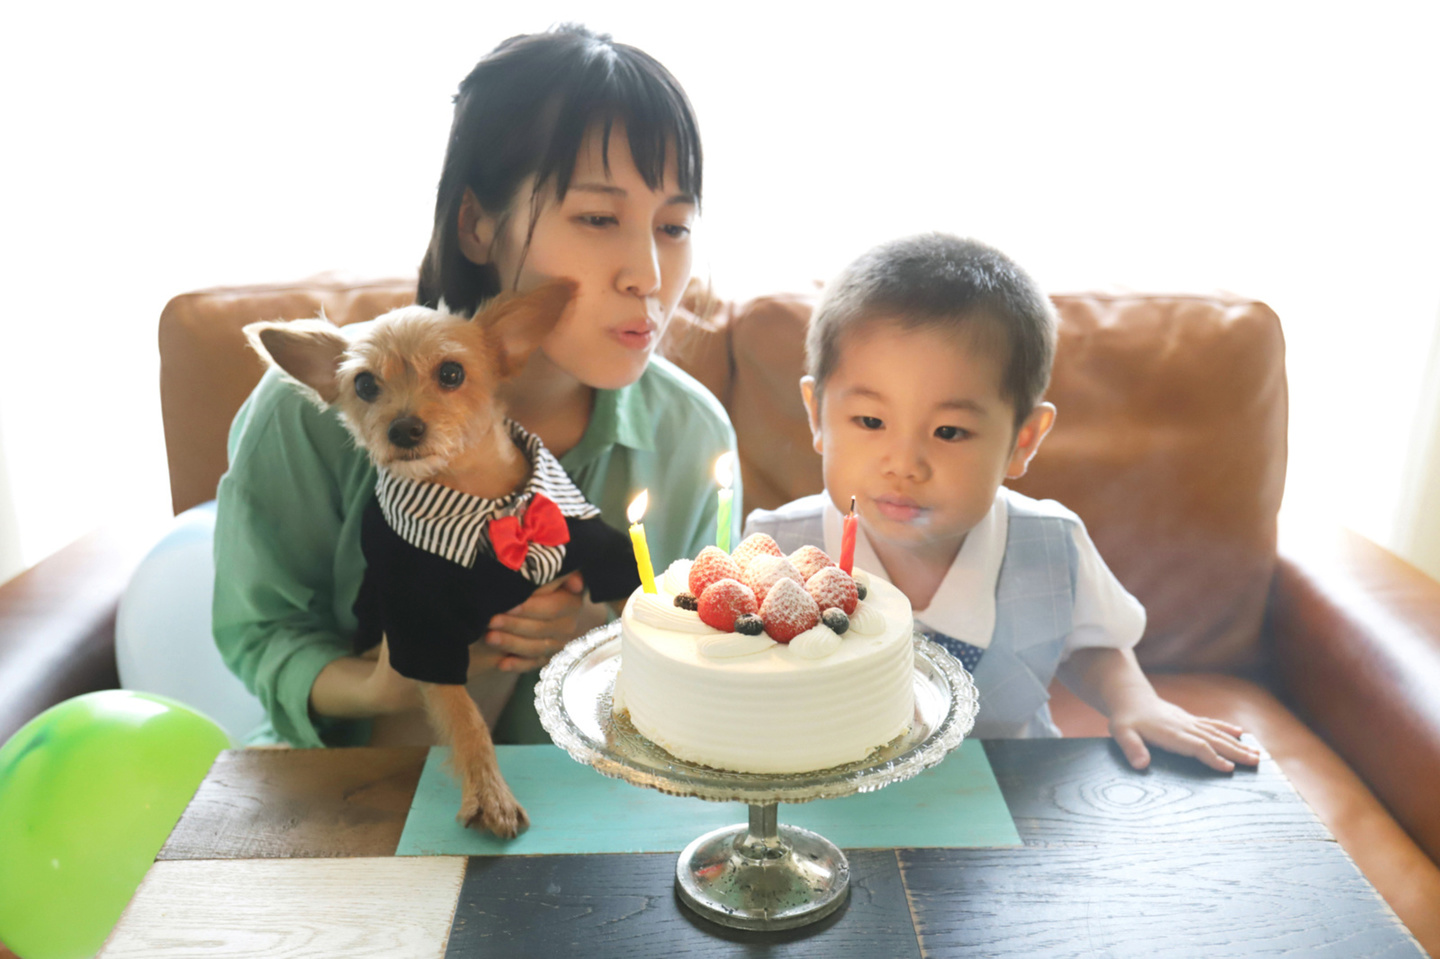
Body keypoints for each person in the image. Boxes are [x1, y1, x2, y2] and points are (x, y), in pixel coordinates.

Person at [213, 24, 739, 748]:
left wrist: (601, 629)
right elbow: (264, 632)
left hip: (599, 799)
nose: (647, 275)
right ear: (476, 225)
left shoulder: (692, 436)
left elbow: (704, 664)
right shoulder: (312, 408)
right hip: (351, 790)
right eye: (597, 217)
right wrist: (380, 684)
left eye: (674, 226)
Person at [744, 234, 1259, 772]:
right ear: (817, 415)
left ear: (1023, 440)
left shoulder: (1051, 545)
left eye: (949, 431)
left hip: (1012, 792)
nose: (904, 464)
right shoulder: (777, 551)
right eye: (871, 421)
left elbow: (1091, 643)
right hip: (835, 795)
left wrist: (1137, 703)